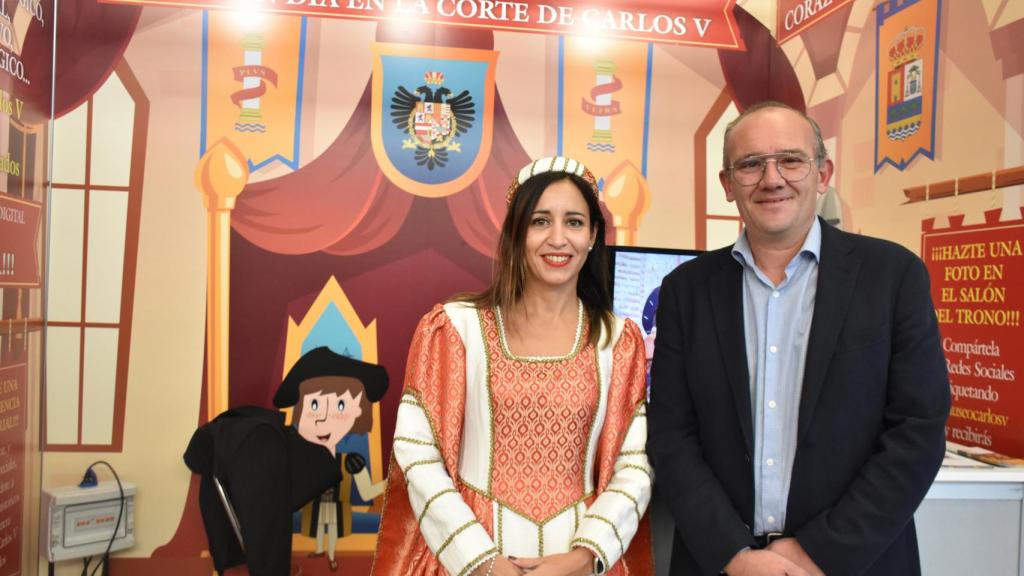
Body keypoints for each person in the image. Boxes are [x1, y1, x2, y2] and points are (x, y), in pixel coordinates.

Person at [647, 101, 949, 576]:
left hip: (854, 564)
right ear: (727, 185)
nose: (772, 179)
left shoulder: (893, 277)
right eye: (750, 164)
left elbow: (918, 429)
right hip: (721, 565)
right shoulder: (687, 290)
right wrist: (734, 554)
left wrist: (816, 552)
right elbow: (671, 436)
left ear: (822, 174)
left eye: (790, 159)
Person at [373, 157, 654, 576]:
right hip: (469, 560)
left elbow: (634, 465)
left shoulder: (618, 340)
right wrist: (482, 562)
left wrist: (584, 557)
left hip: (577, 562)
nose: (558, 238)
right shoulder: (454, 328)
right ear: (516, 233)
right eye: (540, 221)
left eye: (574, 222)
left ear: (594, 236)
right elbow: (417, 454)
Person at [278, 347, 389, 572]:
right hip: (311, 514)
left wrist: (392, 480)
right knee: (319, 526)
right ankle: (320, 549)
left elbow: (367, 492)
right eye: (314, 405)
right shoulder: (295, 457)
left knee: (330, 527)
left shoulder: (351, 461)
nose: (322, 420)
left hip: (336, 509)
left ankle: (329, 554)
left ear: (357, 411)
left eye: (340, 405)